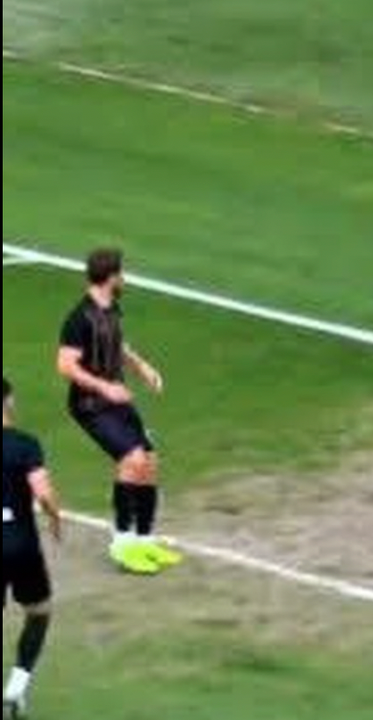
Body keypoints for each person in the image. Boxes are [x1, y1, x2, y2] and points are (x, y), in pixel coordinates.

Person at [56, 248, 182, 575]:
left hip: (116, 400)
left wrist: (142, 367)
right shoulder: (79, 318)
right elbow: (65, 365)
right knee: (132, 460)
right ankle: (123, 543)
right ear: (111, 277)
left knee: (149, 461)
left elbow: (117, 343)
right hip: (90, 405)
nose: (124, 279)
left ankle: (144, 540)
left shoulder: (111, 309)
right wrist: (105, 387)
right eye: (121, 274)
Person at [3, 377, 62, 719]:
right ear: (8, 401)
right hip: (21, 545)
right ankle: (17, 684)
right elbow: (42, 492)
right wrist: (55, 518)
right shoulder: (25, 444)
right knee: (39, 612)